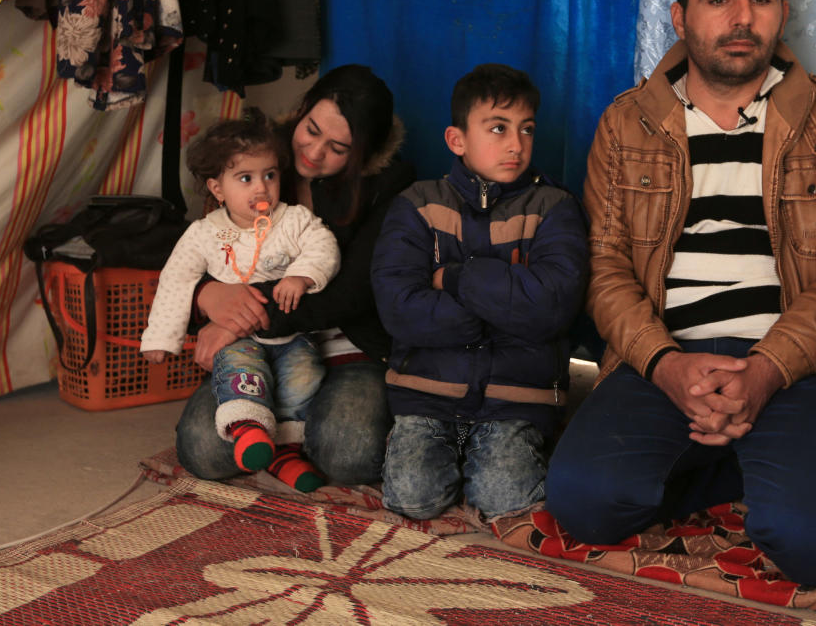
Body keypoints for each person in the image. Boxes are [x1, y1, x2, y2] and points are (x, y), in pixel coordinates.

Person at [545, 0, 816, 588]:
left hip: (797, 363)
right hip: (668, 357)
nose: (742, 19)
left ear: (784, 12)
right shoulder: (628, 123)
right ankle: (752, 455)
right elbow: (605, 270)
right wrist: (666, 365)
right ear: (681, 16)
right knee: (584, 503)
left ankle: (789, 455)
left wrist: (768, 368)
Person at [174, 65, 415, 485]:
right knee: (202, 451)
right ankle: (287, 438)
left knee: (348, 457)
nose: (315, 152)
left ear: (364, 153)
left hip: (348, 349)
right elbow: (202, 246)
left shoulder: (391, 187)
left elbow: (351, 295)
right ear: (301, 110)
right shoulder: (260, 157)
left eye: (338, 147)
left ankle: (295, 430)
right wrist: (206, 294)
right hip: (262, 347)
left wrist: (238, 316)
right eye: (311, 129)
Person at [370, 64, 589, 521]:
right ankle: (440, 448)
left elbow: (553, 307)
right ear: (457, 140)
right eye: (498, 128)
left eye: (526, 129)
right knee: (414, 500)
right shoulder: (417, 204)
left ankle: (515, 449)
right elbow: (399, 308)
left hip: (517, 396)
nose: (516, 144)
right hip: (427, 391)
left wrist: (453, 279)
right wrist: (504, 309)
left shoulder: (555, 207)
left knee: (507, 502)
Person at [141, 110, 340, 491]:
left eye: (270, 175)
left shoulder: (293, 219)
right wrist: (161, 338)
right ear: (218, 189)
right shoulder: (205, 234)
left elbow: (323, 245)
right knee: (240, 373)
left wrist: (303, 275)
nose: (261, 188)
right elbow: (177, 278)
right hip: (237, 338)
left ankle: (282, 452)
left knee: (303, 378)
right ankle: (247, 426)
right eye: (245, 179)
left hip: (291, 337)